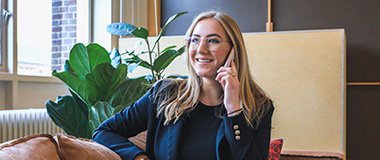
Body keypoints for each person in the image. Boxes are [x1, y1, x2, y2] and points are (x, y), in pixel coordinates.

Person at [93, 11, 275, 160]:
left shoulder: (259, 107)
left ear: (234, 50)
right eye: (195, 40)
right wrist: (139, 157)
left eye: (213, 40)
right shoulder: (164, 94)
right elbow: (104, 132)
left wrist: (234, 109)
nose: (201, 49)